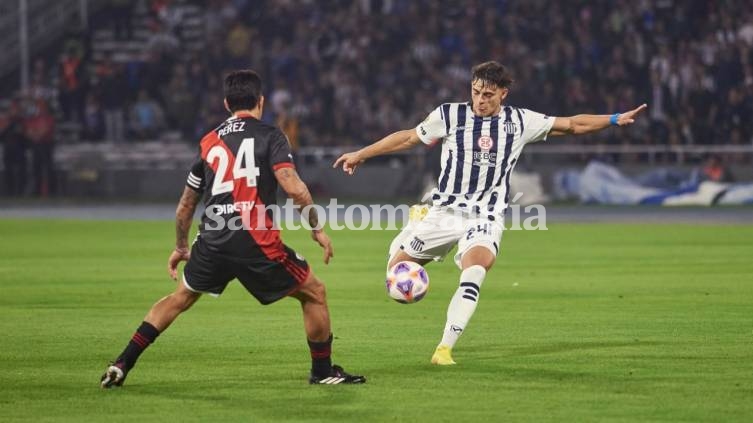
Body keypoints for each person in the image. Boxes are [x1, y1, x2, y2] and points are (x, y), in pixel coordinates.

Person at [334, 61, 647, 365]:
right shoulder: (449, 115)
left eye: (487, 95)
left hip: (486, 217)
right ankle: (414, 224)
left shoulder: (521, 121)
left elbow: (572, 124)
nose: (480, 100)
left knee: (474, 273)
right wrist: (361, 154)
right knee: (394, 273)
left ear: (503, 94)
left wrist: (614, 118)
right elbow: (407, 137)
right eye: (475, 92)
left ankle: (444, 348)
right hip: (444, 212)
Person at [101, 70, 365, 387]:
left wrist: (182, 247)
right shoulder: (272, 136)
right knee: (315, 293)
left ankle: (122, 362)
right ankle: (322, 372)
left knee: (179, 298)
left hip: (212, 239)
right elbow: (293, 187)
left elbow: (185, 205)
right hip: (256, 240)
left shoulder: (209, 142)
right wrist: (316, 228)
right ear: (261, 101)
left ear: (227, 103)